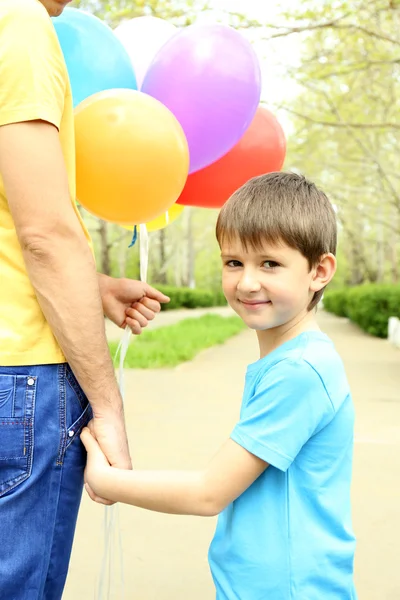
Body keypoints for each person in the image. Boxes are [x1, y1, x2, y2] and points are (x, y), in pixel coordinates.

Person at [82, 172, 358, 599]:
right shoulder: (290, 361)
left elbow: (209, 493)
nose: (246, 282)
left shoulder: (301, 371)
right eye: (234, 262)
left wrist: (107, 480)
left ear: (319, 271)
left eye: (269, 263)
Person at [0, 0, 169, 598]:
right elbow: (44, 233)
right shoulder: (16, 24)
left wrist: (89, 288)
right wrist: (110, 407)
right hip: (19, 375)